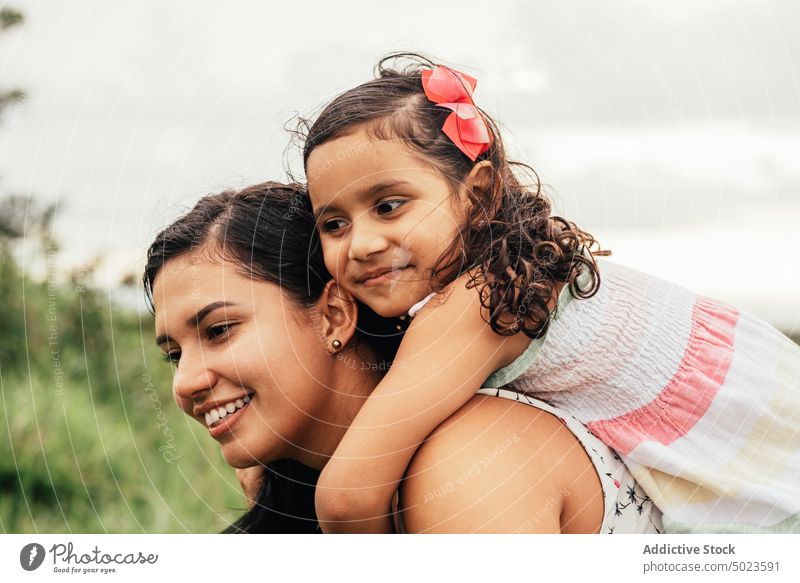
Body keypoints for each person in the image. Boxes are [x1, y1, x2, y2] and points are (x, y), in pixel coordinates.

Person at [302, 53, 800, 534]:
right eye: (334, 223)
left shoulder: (475, 302)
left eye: (389, 205)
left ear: (478, 194)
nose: (362, 244)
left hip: (756, 473)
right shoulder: (518, 271)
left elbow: (347, 496)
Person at [142, 181, 662, 534]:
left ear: (333, 317)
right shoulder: (303, 489)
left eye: (219, 330)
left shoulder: (466, 464)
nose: (186, 382)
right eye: (173, 354)